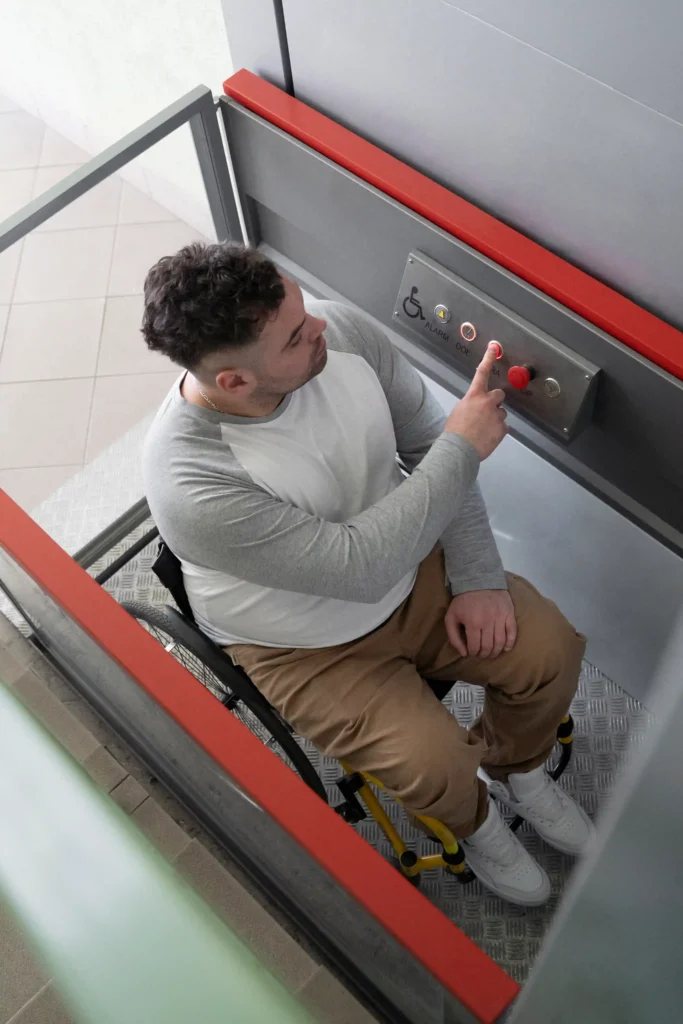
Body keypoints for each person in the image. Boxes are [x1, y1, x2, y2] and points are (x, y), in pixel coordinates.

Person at [141, 241, 594, 906]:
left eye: (302, 309)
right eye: (296, 337)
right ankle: (478, 825)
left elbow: (428, 455)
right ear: (233, 381)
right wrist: (462, 449)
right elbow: (362, 564)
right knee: (432, 764)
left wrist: (476, 578)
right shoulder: (192, 483)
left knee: (550, 650)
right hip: (302, 646)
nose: (320, 325)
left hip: (409, 563)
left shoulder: (339, 332)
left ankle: (519, 764)